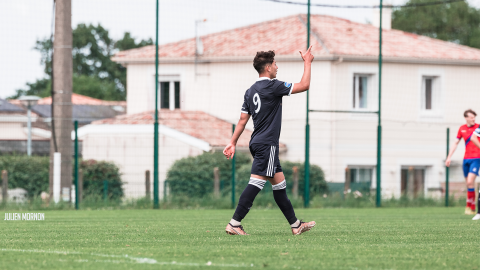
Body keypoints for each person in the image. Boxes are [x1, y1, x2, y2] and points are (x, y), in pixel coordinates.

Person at [223, 46, 315, 236]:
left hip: (256, 142)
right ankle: (234, 223)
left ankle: (296, 225)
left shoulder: (250, 91)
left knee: (279, 184)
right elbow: (304, 85)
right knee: (256, 183)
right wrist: (307, 62)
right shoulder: (273, 86)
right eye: (274, 64)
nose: (277, 67)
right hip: (267, 144)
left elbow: (242, 120)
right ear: (267, 68)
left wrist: (232, 142)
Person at [445, 109, 480, 216]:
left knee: (470, 181)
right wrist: (449, 157)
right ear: (466, 118)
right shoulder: (462, 129)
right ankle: (470, 206)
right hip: (466, 159)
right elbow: (455, 143)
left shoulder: (478, 127)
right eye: (471, 117)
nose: (473, 119)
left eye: (474, 117)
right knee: (468, 184)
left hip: (476, 158)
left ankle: (472, 207)